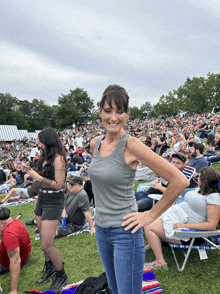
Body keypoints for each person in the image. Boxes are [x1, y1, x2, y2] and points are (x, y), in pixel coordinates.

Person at [88, 85, 189, 294]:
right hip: (102, 230)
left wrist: (150, 215)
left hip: (126, 232)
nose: (113, 117)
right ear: (100, 111)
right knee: (115, 290)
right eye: (108, 110)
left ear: (127, 114)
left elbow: (179, 180)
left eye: (119, 111)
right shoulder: (94, 144)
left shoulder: (131, 145)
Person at [143, 167, 220, 270]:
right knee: (146, 217)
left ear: (206, 181)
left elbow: (211, 225)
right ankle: (155, 241)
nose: (197, 179)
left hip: (189, 233)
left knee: (148, 225)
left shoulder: (214, 198)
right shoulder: (201, 189)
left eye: (199, 177)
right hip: (176, 218)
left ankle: (160, 263)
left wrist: (185, 226)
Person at [25, 128, 68, 292]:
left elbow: (59, 184)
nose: (37, 143)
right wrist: (30, 171)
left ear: (48, 141)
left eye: (39, 140)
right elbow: (42, 177)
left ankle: (61, 274)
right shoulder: (46, 156)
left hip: (53, 201)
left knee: (47, 245)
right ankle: (49, 267)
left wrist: (38, 177)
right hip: (42, 199)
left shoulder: (59, 159)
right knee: (43, 241)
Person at [0, 207, 32, 293]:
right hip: (24, 252)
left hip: (5, 263)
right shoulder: (15, 221)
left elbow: (15, 261)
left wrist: (13, 290)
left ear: (2, 223)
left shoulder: (9, 235)